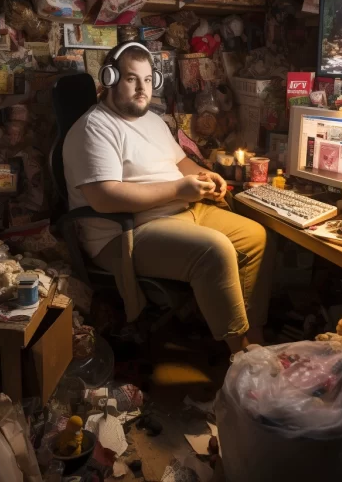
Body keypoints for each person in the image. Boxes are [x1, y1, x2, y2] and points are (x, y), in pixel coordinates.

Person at [63, 42, 276, 355]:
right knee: (214, 252)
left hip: (181, 211)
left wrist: (204, 175)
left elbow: (180, 164)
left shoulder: (152, 121)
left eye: (148, 80)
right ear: (109, 79)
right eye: (131, 79)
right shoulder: (94, 128)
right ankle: (241, 356)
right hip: (126, 233)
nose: (142, 88)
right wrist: (179, 190)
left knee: (256, 237)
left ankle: (254, 339)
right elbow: (104, 198)